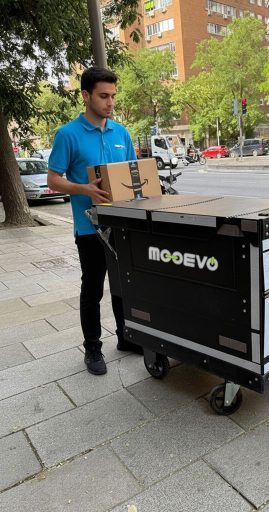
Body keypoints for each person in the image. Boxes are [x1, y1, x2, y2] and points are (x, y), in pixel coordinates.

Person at [46, 67, 141, 376]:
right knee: (93, 290)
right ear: (86, 95)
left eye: (113, 96)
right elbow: (54, 180)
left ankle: (126, 338)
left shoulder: (121, 133)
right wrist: (83, 189)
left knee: (123, 286)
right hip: (89, 228)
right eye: (103, 96)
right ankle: (93, 349)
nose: (110, 102)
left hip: (123, 224)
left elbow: (131, 174)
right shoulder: (67, 135)